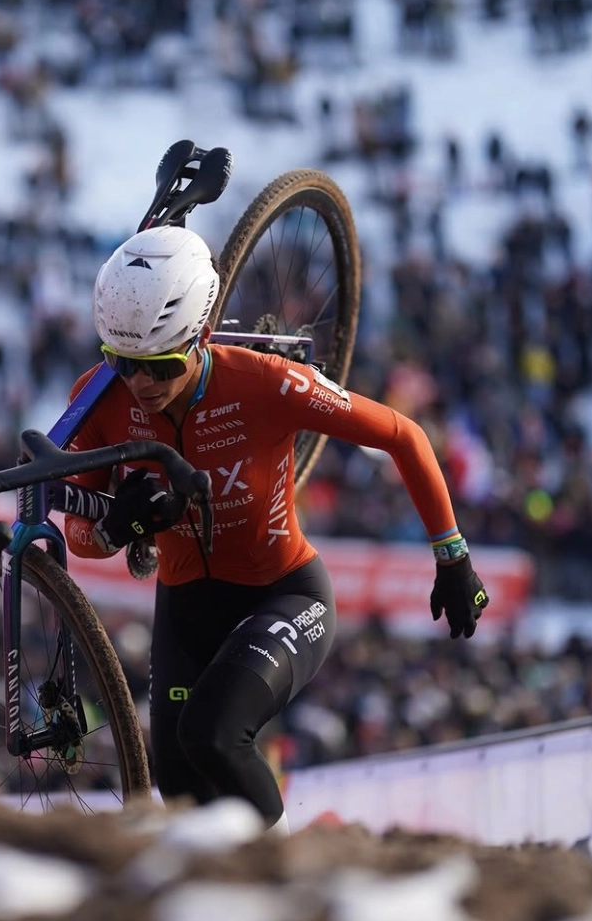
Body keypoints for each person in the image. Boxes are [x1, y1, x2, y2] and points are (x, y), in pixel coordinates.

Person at [63, 225, 489, 834]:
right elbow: (72, 521)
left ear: (201, 337)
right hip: (185, 607)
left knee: (212, 733)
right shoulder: (98, 398)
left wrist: (452, 556)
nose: (140, 383)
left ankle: (288, 878)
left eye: (160, 364)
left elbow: (403, 436)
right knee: (179, 786)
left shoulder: (265, 382)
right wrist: (110, 526)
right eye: (123, 363)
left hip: (284, 595)